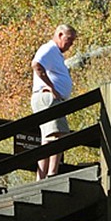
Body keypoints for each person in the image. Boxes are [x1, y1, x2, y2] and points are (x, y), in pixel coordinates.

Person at [31, 24, 77, 179]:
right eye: (69, 39)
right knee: (59, 135)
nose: (70, 44)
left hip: (49, 99)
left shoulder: (56, 54)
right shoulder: (49, 49)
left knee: (48, 138)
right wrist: (51, 88)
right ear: (59, 35)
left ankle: (41, 176)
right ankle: (51, 174)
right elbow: (36, 65)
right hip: (49, 99)